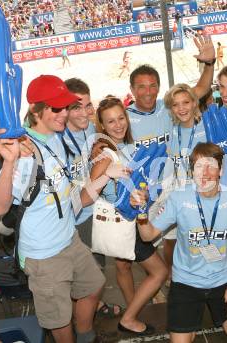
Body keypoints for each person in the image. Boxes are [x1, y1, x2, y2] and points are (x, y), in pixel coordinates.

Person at [0, 74, 106, 343]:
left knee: (94, 286)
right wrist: (9, 161)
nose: (64, 113)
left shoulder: (57, 133)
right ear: (35, 110)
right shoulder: (23, 152)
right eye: (56, 108)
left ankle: (85, 336)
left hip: (69, 239)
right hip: (44, 256)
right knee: (59, 320)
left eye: (66, 106)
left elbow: (85, 124)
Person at [135, 142, 227, 343]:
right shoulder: (179, 198)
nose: (205, 172)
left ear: (221, 169)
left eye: (211, 165)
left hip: (224, 280)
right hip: (186, 282)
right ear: (192, 171)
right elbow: (148, 236)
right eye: (199, 166)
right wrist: (140, 213)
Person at [85, 96, 167, 336]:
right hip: (126, 223)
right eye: (111, 122)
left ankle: (134, 311)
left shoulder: (124, 147)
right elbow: (90, 193)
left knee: (123, 266)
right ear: (102, 126)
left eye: (121, 118)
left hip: (130, 222)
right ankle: (130, 317)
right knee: (159, 272)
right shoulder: (105, 154)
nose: (118, 125)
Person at [62, 77, 123, 317]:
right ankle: (84, 325)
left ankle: (94, 307)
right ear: (64, 108)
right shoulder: (59, 139)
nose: (85, 113)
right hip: (73, 219)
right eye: (76, 106)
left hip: (92, 212)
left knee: (97, 272)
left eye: (88, 105)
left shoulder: (90, 129)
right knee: (86, 279)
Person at [127, 34, 215, 151]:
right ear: (132, 89)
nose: (148, 92)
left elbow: (202, 88)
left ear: (159, 87)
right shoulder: (123, 118)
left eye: (153, 86)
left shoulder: (169, 105)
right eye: (142, 87)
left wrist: (209, 64)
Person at [162, 84, 208, 285]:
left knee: (202, 240)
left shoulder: (207, 126)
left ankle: (207, 276)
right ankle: (174, 277)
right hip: (178, 194)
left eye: (186, 103)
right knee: (170, 240)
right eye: (175, 105)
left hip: (204, 195)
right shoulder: (172, 131)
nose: (181, 109)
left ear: (194, 103)